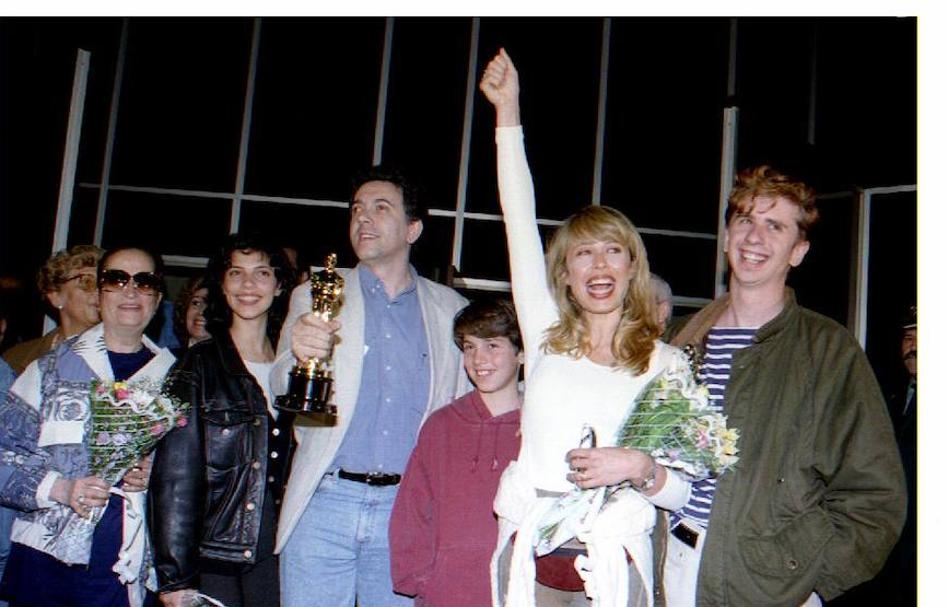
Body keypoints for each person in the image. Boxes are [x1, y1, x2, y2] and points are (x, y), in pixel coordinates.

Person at [481, 49, 691, 607]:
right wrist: (508, 115)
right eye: (583, 255)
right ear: (565, 275)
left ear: (631, 266)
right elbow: (518, 220)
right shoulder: (546, 336)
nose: (599, 266)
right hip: (533, 565)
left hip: (613, 569)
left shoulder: (667, 365)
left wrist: (640, 467)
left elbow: (682, 491)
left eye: (612, 252)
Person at [653, 165, 907, 606]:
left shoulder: (827, 351)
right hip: (668, 564)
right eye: (745, 220)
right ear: (728, 234)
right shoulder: (679, 340)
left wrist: (810, 583)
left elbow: (876, 498)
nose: (755, 237)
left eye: (775, 226)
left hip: (766, 587)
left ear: (798, 251)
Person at [271, 166, 469, 607]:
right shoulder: (316, 293)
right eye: (357, 209)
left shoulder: (452, 310)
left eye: (381, 209)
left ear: (413, 228)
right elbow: (279, 389)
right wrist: (298, 357)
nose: (363, 219)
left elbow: (465, 412)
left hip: (407, 509)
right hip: (324, 503)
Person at [0, 246, 175, 607]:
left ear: (157, 298)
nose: (130, 291)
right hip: (43, 566)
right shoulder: (48, 370)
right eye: (116, 280)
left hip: (125, 571)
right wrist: (60, 488)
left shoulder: (177, 379)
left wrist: (154, 474)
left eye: (144, 283)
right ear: (99, 294)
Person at [150, 234, 295, 607]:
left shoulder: (297, 367)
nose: (248, 285)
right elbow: (174, 480)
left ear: (279, 286)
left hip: (283, 554)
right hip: (217, 556)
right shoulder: (196, 368)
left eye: (262, 273)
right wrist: (174, 578)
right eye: (236, 273)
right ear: (223, 284)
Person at [390, 298, 524, 607]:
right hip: (446, 589)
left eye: (492, 345)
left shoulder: (539, 429)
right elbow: (412, 509)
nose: (479, 359)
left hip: (515, 589)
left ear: (521, 353)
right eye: (469, 347)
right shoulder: (441, 425)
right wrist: (421, 579)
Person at [2, 245, 103, 375]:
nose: (98, 291)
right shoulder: (16, 359)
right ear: (55, 296)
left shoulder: (126, 356)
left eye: (104, 283)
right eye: (86, 281)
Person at [170, 275, 210, 356]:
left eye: (210, 305)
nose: (201, 311)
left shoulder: (234, 364)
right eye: (196, 303)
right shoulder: (167, 359)